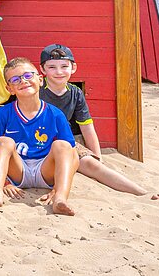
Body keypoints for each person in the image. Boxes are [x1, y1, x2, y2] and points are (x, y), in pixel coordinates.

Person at [39, 43, 151, 196]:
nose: (59, 72)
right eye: (52, 67)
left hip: (69, 142)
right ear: (42, 69)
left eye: (64, 66)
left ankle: (141, 192)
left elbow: (87, 127)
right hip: (40, 142)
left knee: (94, 166)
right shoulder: (37, 91)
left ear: (73, 68)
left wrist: (98, 157)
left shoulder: (76, 93)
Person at [0, 57, 79, 216]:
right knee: (3, 141)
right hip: (17, 170)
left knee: (62, 145)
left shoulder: (56, 114)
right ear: (9, 89)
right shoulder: (4, 112)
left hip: (45, 171)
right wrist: (5, 182)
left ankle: (60, 199)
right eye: (15, 79)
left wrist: (56, 188)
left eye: (28, 76)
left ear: (40, 79)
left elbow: (73, 156)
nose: (23, 81)